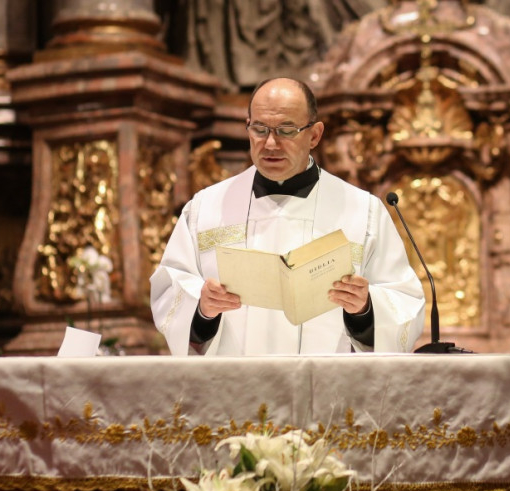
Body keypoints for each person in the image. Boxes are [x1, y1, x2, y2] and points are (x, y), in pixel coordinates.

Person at [150, 77, 425, 355]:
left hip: (325, 380)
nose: (270, 143)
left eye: (286, 130)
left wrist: (364, 309)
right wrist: (202, 309)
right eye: (259, 129)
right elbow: (169, 293)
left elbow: (404, 303)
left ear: (314, 135)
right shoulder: (207, 207)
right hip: (233, 379)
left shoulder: (363, 211)